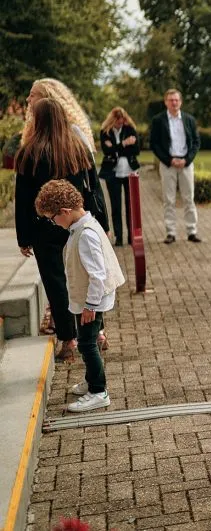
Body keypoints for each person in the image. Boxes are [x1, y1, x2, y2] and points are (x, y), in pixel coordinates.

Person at [15, 98, 108, 362]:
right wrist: (99, 224)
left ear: (38, 119)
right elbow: (92, 188)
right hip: (77, 225)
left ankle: (69, 340)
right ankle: (97, 332)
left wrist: (24, 236)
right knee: (87, 278)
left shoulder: (29, 152)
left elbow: (23, 199)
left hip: (45, 227)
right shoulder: (78, 148)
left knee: (56, 284)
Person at [35, 180, 125, 412]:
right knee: (88, 341)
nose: (53, 223)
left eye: (52, 218)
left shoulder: (85, 235)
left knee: (86, 344)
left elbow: (97, 274)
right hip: (88, 299)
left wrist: (90, 306)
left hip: (90, 300)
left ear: (64, 212)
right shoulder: (85, 225)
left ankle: (98, 390)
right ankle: (92, 379)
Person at [150, 89, 202, 244]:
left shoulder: (189, 120)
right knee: (168, 200)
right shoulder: (158, 120)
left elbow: (196, 142)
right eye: (171, 100)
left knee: (189, 198)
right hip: (168, 164)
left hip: (186, 164)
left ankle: (192, 231)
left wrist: (186, 160)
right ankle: (170, 232)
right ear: (166, 102)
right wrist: (168, 160)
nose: (174, 103)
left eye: (176, 100)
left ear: (181, 101)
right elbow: (154, 144)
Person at [98, 107, 141, 247]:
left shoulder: (130, 130)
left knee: (130, 205)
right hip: (113, 173)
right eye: (117, 122)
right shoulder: (105, 132)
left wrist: (115, 148)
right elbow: (106, 151)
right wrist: (124, 144)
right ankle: (118, 236)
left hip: (129, 172)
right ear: (112, 120)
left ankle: (131, 237)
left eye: (121, 121)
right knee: (115, 206)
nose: (120, 124)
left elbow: (136, 150)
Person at [23, 78, 96, 153]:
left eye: (32, 95)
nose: (27, 99)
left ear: (48, 99)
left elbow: (88, 162)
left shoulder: (73, 132)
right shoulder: (33, 129)